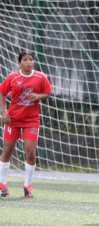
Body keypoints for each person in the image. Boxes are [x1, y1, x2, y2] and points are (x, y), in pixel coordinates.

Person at [0, 52, 52, 198]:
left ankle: (27, 185)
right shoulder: (12, 77)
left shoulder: (41, 77)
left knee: (30, 153)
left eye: (31, 59)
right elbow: (2, 92)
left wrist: (38, 96)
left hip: (31, 120)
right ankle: (2, 183)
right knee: (7, 151)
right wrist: (3, 113)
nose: (29, 62)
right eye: (25, 60)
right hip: (13, 120)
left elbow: (47, 93)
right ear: (19, 63)